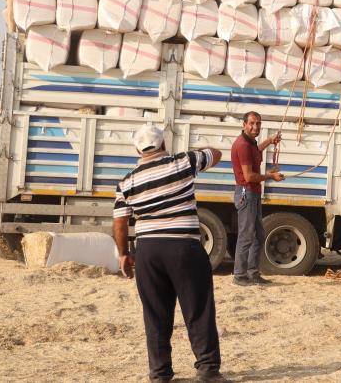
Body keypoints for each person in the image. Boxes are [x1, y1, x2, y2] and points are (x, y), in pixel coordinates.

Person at [113, 123, 225, 383]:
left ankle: (160, 373)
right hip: (183, 246)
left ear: (137, 150)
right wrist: (198, 153)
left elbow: (120, 222)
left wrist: (124, 254)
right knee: (198, 308)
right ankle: (207, 370)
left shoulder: (126, 182)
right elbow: (216, 154)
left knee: (155, 313)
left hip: (148, 251)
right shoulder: (183, 162)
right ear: (162, 144)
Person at [231, 111, 284, 286]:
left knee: (259, 235)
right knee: (246, 236)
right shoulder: (243, 145)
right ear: (244, 124)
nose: (255, 127)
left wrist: (270, 140)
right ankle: (239, 275)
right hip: (247, 193)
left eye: (258, 124)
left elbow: (256, 150)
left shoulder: (250, 142)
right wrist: (271, 176)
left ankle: (253, 274)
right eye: (252, 123)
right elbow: (249, 177)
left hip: (253, 193)